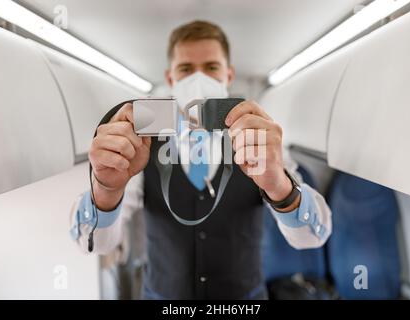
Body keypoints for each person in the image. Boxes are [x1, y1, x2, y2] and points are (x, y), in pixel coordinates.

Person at [70, 20, 332, 300]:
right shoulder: (140, 140)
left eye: (211, 68)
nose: (198, 79)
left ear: (228, 76)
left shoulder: (257, 135)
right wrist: (107, 189)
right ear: (171, 79)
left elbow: (311, 237)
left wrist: (279, 185)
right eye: (185, 69)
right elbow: (95, 244)